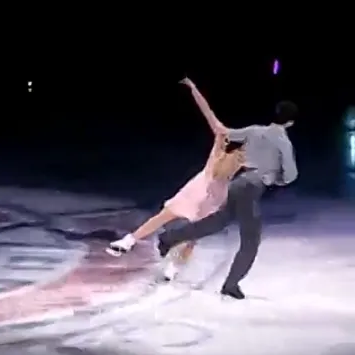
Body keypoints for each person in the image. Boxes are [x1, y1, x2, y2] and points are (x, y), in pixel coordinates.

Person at [157, 99, 299, 299]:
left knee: (217, 223)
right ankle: (231, 285)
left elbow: (225, 132)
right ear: (291, 122)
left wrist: (213, 119)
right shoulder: (283, 141)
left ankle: (168, 238)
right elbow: (291, 174)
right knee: (250, 240)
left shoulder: (254, 130)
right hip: (251, 188)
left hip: (237, 183)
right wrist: (277, 179)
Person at [106, 78, 244, 281]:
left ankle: (175, 266)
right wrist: (194, 88)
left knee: (192, 236)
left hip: (216, 194)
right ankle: (128, 241)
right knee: (165, 215)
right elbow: (207, 112)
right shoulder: (222, 138)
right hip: (199, 186)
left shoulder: (247, 154)